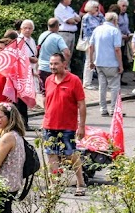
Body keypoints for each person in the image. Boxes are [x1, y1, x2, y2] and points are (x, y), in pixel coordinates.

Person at [42, 52, 87, 195]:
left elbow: (81, 104)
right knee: (52, 155)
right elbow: (46, 100)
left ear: (64, 64)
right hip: (49, 125)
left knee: (71, 155)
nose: (53, 67)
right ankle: (54, 186)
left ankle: (80, 182)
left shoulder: (74, 80)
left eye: (56, 64)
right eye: (51, 64)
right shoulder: (48, 80)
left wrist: (81, 126)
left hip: (67, 125)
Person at [90, 12, 124, 116]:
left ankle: (103, 109)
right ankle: (114, 109)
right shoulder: (115, 31)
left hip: (99, 62)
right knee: (114, 87)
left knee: (102, 86)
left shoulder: (97, 29)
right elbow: (117, 49)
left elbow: (91, 46)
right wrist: (121, 64)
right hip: (111, 63)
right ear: (115, 20)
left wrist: (91, 61)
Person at [36, 18, 69, 88]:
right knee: (54, 92)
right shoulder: (58, 38)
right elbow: (67, 52)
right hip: (53, 69)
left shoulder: (42, 35)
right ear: (57, 26)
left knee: (44, 93)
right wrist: (64, 65)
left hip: (41, 68)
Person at [79, 3, 104, 87]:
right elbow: (87, 31)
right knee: (89, 61)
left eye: (97, 7)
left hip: (99, 41)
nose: (97, 9)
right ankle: (86, 82)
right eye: (95, 7)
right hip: (90, 41)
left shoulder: (99, 16)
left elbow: (104, 23)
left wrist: (99, 13)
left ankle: (93, 81)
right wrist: (92, 42)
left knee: (97, 60)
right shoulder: (86, 17)